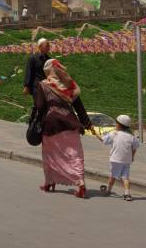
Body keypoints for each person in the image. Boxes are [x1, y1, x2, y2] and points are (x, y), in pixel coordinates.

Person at [34, 59, 96, 198]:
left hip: (51, 125)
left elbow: (39, 106)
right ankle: (81, 185)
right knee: (74, 155)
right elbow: (79, 108)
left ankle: (49, 181)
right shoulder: (70, 85)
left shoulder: (44, 85)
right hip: (71, 123)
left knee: (50, 154)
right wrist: (88, 124)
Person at [98, 115, 140, 201]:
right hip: (127, 160)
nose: (115, 124)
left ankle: (108, 190)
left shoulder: (114, 133)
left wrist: (95, 133)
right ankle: (127, 193)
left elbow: (103, 140)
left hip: (115, 159)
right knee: (125, 177)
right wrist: (132, 157)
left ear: (119, 125)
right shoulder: (132, 137)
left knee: (113, 176)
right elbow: (134, 148)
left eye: (116, 123)